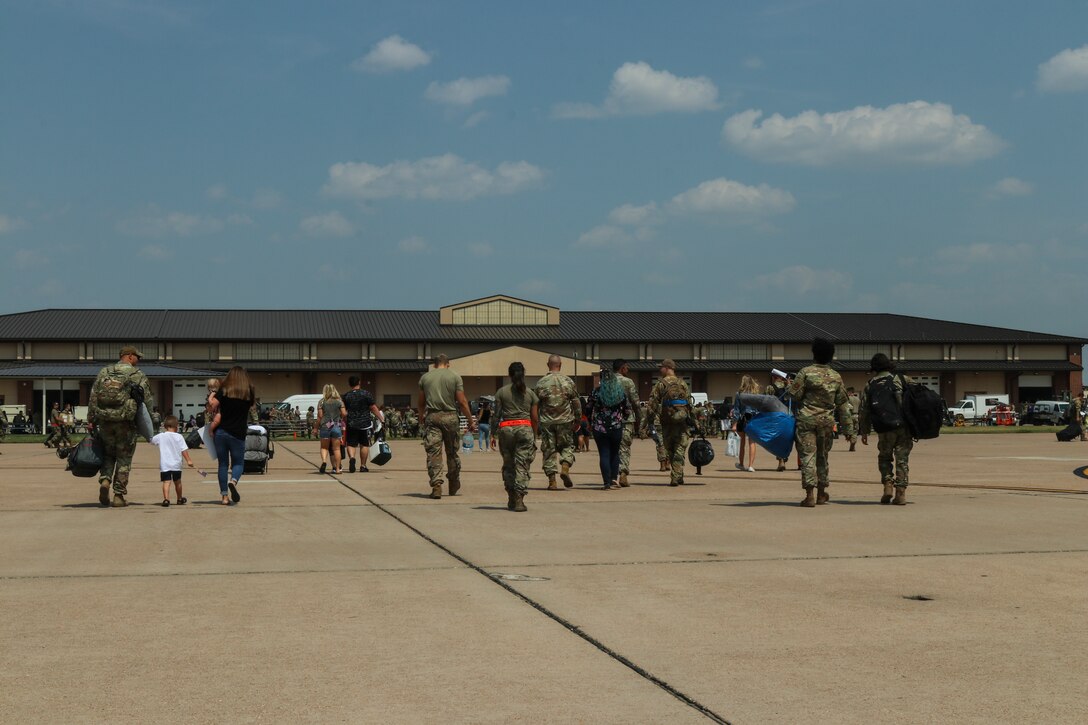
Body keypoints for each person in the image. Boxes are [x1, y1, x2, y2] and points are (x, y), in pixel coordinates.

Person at [786, 338, 854, 508]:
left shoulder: (805, 372)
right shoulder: (836, 376)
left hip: (806, 421)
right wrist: (849, 430)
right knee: (823, 457)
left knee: (808, 456)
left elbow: (794, 395)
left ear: (814, 354)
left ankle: (809, 494)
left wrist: (790, 386)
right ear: (831, 356)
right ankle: (822, 493)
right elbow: (843, 405)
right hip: (826, 422)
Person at [88, 346, 155, 507]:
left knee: (108, 454)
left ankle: (105, 480)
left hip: (105, 420)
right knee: (124, 459)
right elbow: (147, 399)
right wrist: (150, 420)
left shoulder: (105, 372)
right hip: (126, 423)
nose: (138, 360)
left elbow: (93, 396)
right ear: (129, 356)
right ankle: (118, 495)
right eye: (137, 356)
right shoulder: (137, 374)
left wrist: (91, 419)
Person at [417, 354, 476, 499]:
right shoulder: (455, 377)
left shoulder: (425, 378)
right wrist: (470, 420)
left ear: (434, 364)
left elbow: (421, 402)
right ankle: (453, 481)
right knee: (452, 452)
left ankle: (436, 485)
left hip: (432, 417)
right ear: (448, 364)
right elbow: (462, 402)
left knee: (433, 452)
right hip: (451, 417)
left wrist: (421, 417)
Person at [858, 353, 913, 506]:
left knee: (885, 458)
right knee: (902, 460)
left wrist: (864, 431)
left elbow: (864, 410)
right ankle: (900, 493)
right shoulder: (901, 379)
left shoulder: (870, 384)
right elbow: (917, 396)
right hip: (903, 427)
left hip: (883, 428)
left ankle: (887, 485)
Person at [494, 361, 539, 511]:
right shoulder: (530, 394)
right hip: (524, 429)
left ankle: (511, 497)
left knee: (508, 465)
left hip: (506, 430)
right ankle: (519, 499)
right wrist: (534, 434)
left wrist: (492, 434)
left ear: (509, 374)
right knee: (522, 465)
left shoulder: (501, 392)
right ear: (523, 374)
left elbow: (496, 415)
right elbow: (535, 418)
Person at [534, 354, 582, 490]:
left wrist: (536, 423)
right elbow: (576, 402)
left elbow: (535, 405)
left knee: (549, 450)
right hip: (565, 421)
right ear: (560, 365)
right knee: (567, 446)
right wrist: (578, 419)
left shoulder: (541, 383)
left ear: (547, 365)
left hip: (547, 422)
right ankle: (565, 467)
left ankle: (552, 481)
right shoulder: (568, 381)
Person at [209, 366, 255, 505]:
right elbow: (252, 405)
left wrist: (212, 394)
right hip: (238, 433)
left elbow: (212, 406)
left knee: (223, 464)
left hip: (221, 432)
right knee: (238, 463)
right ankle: (233, 481)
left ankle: (224, 497)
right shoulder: (249, 391)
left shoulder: (224, 390)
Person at [645, 359, 695, 487]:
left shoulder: (660, 384)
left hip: (667, 422)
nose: (659, 370)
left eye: (661, 367)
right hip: (682, 422)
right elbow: (690, 404)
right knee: (680, 447)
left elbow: (652, 404)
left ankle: (676, 476)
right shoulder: (683, 383)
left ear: (667, 368)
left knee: (670, 449)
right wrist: (694, 421)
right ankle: (678, 474)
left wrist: (649, 421)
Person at [584, 365, 631, 490]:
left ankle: (606, 482)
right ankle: (614, 479)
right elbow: (627, 409)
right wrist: (622, 418)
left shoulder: (596, 392)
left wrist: (589, 421)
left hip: (600, 428)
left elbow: (588, 408)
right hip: (616, 427)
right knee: (615, 453)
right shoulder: (620, 392)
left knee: (604, 453)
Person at [342, 376, 384, 473]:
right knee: (364, 444)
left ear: (349, 384)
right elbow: (373, 407)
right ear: (359, 382)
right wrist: (381, 419)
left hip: (351, 423)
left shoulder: (346, 396)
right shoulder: (366, 394)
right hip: (365, 424)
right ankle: (363, 466)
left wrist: (344, 420)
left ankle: (352, 458)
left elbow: (343, 411)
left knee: (351, 444)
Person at [151, 415, 195, 507]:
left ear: (165, 426)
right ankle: (179, 498)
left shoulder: (161, 436)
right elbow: (183, 450)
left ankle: (166, 499)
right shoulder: (179, 437)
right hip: (176, 464)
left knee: (166, 482)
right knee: (178, 482)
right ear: (176, 426)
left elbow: (152, 440)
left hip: (165, 464)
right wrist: (189, 460)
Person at [613, 359, 641, 487]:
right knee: (624, 447)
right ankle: (623, 474)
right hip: (626, 418)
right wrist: (640, 418)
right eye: (627, 368)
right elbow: (635, 402)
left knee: (612, 448)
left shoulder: (607, 381)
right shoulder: (628, 382)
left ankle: (611, 476)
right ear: (622, 368)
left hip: (610, 420)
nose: (628, 370)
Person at [732, 375, 762, 473]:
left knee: (742, 442)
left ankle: (741, 464)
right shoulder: (756, 394)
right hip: (753, 419)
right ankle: (750, 466)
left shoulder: (739, 394)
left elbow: (736, 410)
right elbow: (759, 409)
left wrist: (734, 424)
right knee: (752, 443)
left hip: (742, 419)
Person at [315, 384, 346, 474]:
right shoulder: (339, 401)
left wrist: (315, 428)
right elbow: (344, 413)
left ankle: (324, 461)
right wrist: (339, 416)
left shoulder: (321, 402)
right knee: (336, 449)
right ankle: (337, 469)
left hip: (325, 426)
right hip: (336, 426)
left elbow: (320, 416)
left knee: (324, 447)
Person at [765, 370, 791, 471]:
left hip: (775, 416)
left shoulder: (770, 387)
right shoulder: (788, 387)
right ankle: (788, 458)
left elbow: (766, 401)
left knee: (778, 439)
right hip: (789, 416)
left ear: (774, 377)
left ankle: (781, 460)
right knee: (788, 438)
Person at [846, 387, 862, 452]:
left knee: (849, 430)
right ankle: (853, 443)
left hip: (850, 416)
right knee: (855, 430)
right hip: (856, 415)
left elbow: (846, 407)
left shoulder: (848, 398)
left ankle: (850, 440)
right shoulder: (858, 399)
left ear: (849, 392)